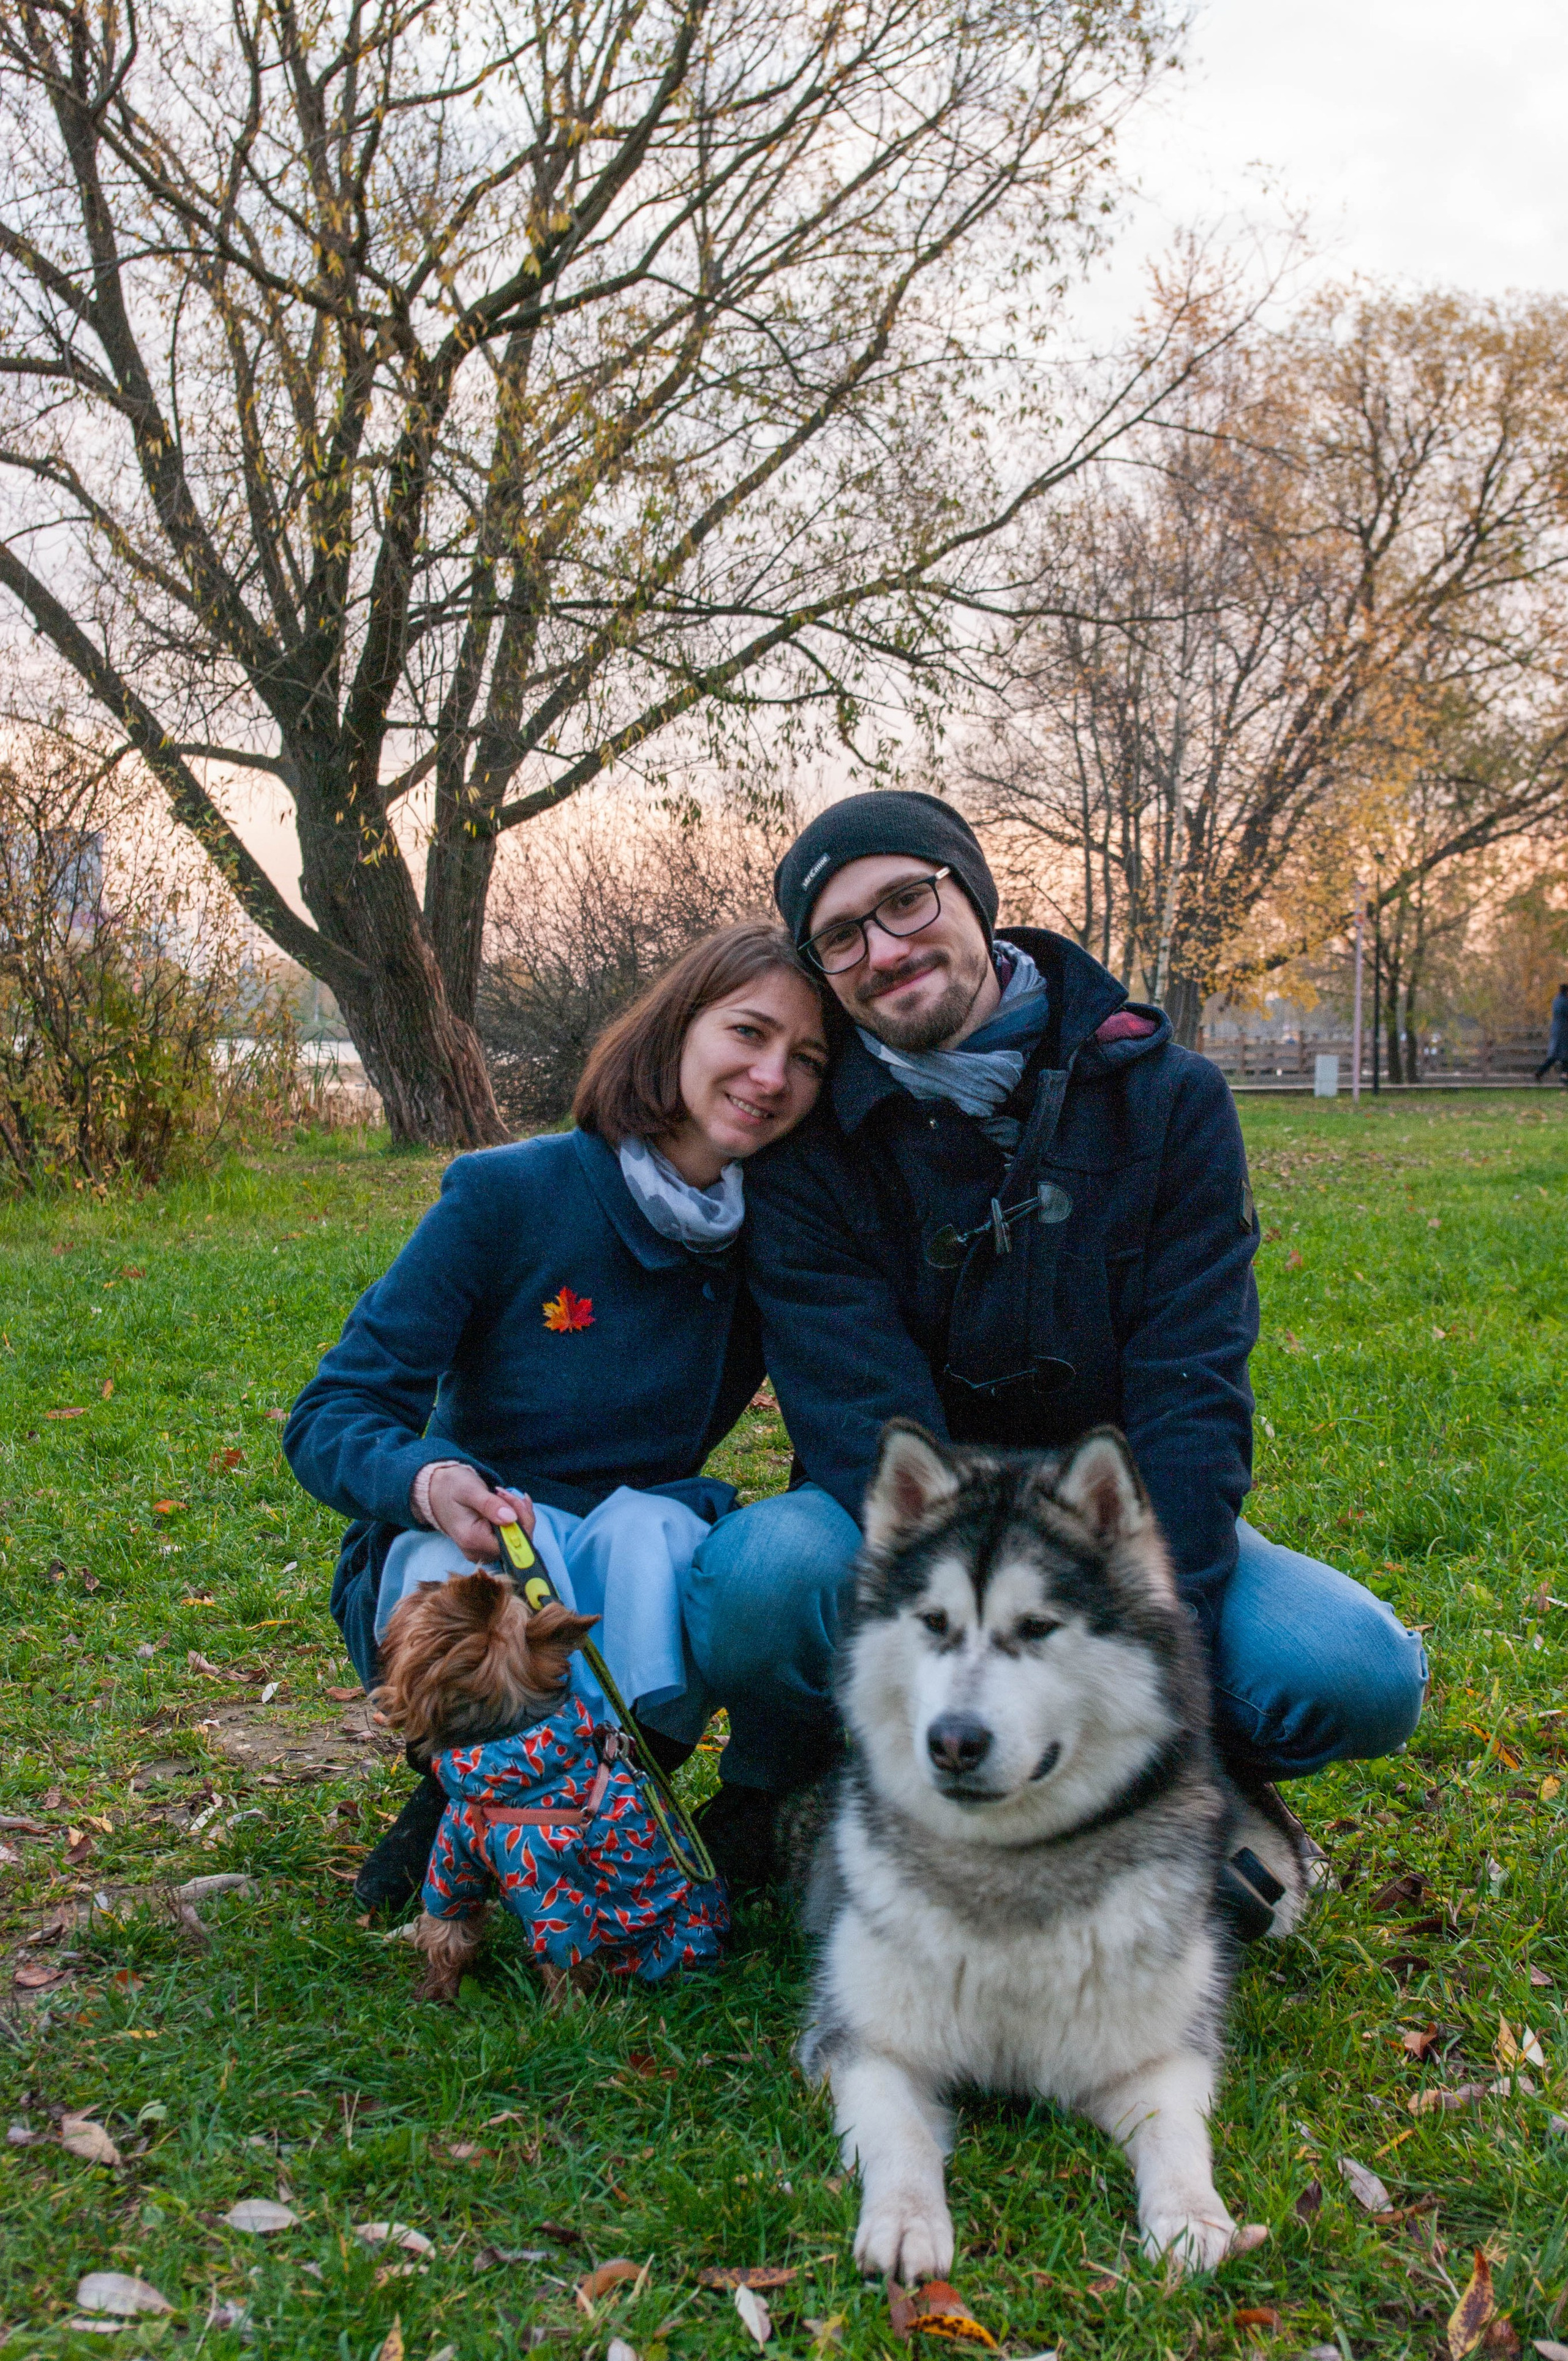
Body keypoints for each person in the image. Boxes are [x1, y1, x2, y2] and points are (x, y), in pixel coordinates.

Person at [682, 792, 1428, 1921]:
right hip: (906, 1532)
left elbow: (1195, 1391)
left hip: (1124, 1529)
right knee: (755, 1580)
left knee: (1353, 1671)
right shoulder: (811, 1146)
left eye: (905, 900)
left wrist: (1141, 1645)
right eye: (841, 936)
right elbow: (866, 1426)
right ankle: (815, 1777)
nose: (884, 949)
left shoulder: (1169, 1100)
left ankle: (1192, 1778)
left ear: (972, 893)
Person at [283, 921, 831, 1908]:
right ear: (676, 1030)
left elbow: (835, 1415)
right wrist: (425, 1479)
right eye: (748, 1032)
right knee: (474, 1565)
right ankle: (459, 1796)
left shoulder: (782, 1237)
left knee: (664, 1532)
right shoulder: (508, 1192)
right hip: (480, 1529)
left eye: (807, 1057)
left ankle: (614, 1802)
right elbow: (332, 1409)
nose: (770, 1073)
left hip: (632, 1539)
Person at [1534, 982, 1568, 1083]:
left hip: (1555, 1030)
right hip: (1564, 1032)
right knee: (1564, 1056)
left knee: (1554, 1056)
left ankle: (1541, 1072)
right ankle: (1564, 1078)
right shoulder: (1566, 1002)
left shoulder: (1556, 1001)